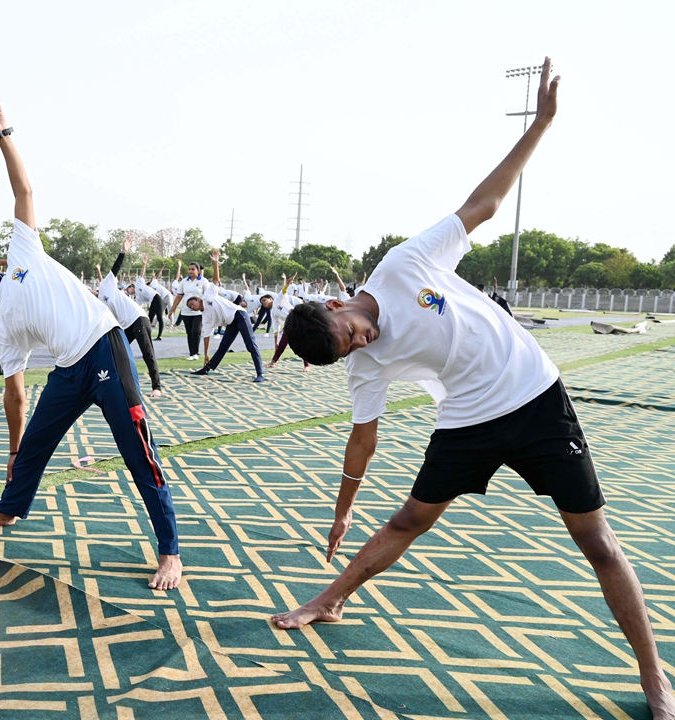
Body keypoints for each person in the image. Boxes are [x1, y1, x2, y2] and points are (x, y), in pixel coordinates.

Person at [271, 60, 675, 718]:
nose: (363, 344)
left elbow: (483, 205)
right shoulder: (362, 367)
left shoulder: (405, 264)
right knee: (407, 519)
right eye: (350, 349)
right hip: (466, 421)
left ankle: (654, 677)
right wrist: (344, 507)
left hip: (535, 394)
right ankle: (332, 597)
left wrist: (541, 123)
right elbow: (362, 438)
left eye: (352, 334)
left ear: (340, 304)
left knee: (597, 543)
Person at [0, 95, 181, 590]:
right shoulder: (3, 328)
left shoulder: (24, 251)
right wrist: (13, 451)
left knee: (138, 450)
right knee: (33, 445)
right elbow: (14, 390)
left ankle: (169, 551)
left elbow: (24, 189)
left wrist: (3, 134)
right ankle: (8, 510)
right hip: (68, 371)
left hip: (103, 347)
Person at [187, 249, 265, 382]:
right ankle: (206, 369)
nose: (192, 307)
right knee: (223, 347)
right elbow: (207, 337)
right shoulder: (205, 317)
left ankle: (260, 374)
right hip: (231, 323)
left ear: (198, 299)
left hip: (240, 315)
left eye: (192, 303)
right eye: (189, 307)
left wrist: (216, 263)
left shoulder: (207, 296)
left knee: (250, 344)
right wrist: (206, 355)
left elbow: (216, 280)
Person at [98, 237, 162, 398]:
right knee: (116, 352)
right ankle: (116, 384)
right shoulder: (98, 304)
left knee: (147, 352)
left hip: (139, 318)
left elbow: (115, 267)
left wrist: (123, 251)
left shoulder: (106, 285)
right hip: (127, 325)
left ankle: (157, 387)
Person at [170, 260, 207, 360]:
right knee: (189, 332)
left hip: (199, 312)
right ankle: (192, 353)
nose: (190, 271)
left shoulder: (203, 281)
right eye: (189, 269)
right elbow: (179, 297)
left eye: (193, 269)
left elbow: (208, 296)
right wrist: (172, 310)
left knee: (196, 330)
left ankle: (196, 352)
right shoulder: (184, 281)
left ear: (198, 271)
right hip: (186, 311)